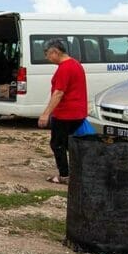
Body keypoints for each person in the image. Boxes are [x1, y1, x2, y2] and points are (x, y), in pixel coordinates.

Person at [37, 39, 88, 185]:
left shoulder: (65, 68)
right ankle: (77, 172)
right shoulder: (76, 64)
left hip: (66, 113)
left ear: (55, 52)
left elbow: (58, 93)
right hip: (77, 112)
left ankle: (65, 175)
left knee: (57, 144)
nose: (47, 58)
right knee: (69, 144)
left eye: (47, 54)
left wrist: (46, 113)